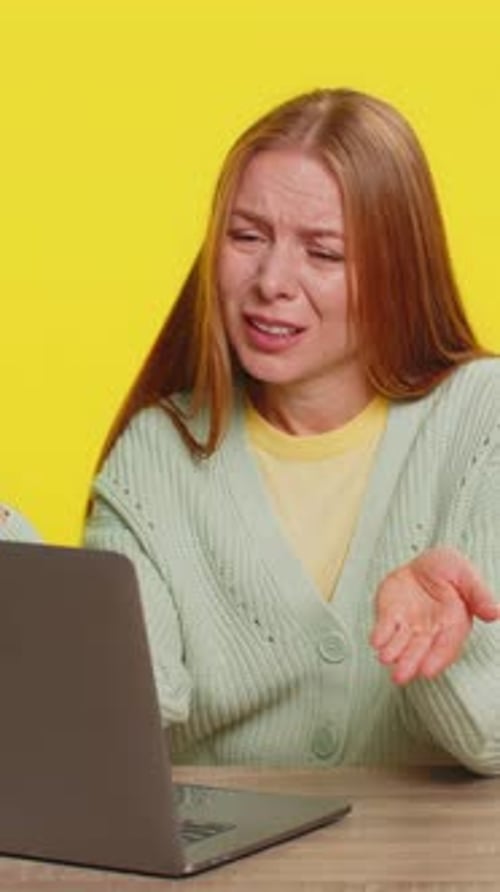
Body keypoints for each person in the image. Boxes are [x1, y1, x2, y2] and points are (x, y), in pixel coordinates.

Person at [84, 88, 500, 774]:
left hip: (435, 876)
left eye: (324, 253)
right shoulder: (156, 456)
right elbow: (117, 726)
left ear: (401, 268)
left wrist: (436, 657)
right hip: (223, 876)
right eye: (246, 236)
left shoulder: (481, 419)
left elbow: (491, 739)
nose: (272, 280)